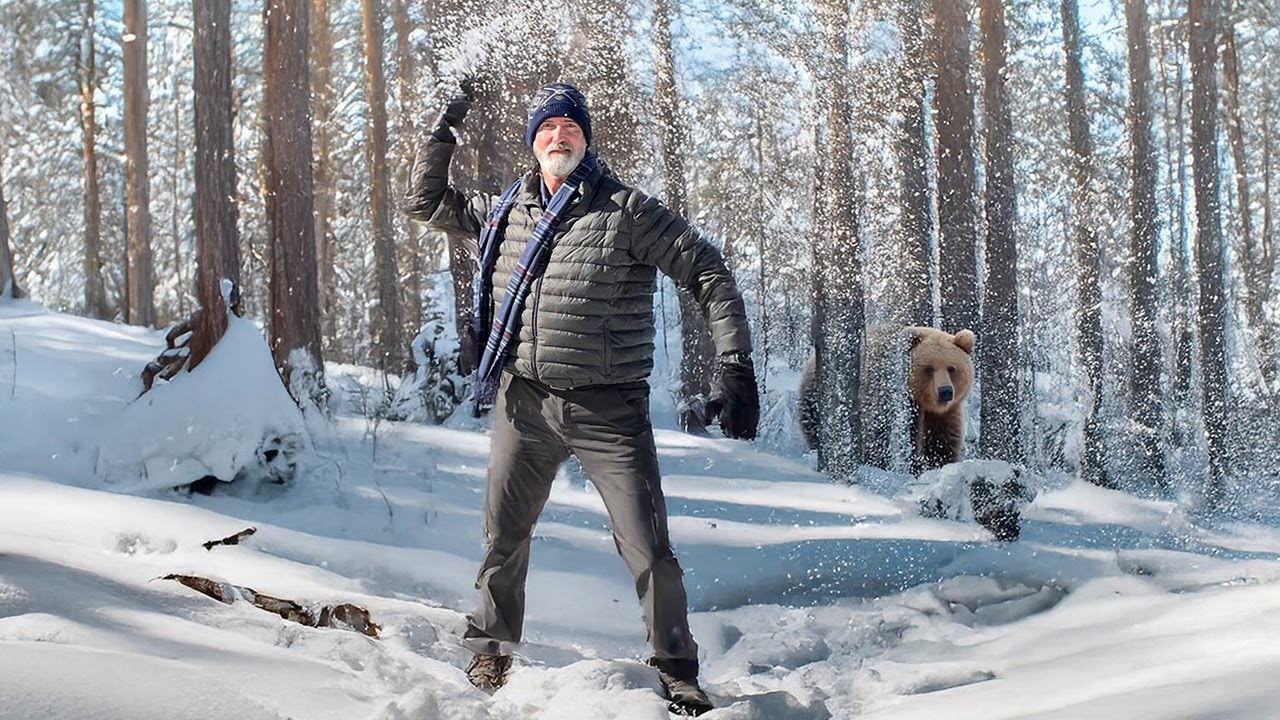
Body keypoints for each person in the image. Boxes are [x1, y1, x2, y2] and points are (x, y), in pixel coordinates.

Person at [403, 81, 759, 716]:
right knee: (504, 535)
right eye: (546, 128)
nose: (558, 135)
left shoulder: (626, 212)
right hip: (524, 401)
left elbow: (707, 273)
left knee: (647, 545)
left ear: (586, 139)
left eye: (570, 126)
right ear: (532, 144)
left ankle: (677, 665)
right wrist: (448, 122)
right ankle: (490, 642)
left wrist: (735, 363)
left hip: (609, 410)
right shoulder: (506, 210)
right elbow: (423, 199)